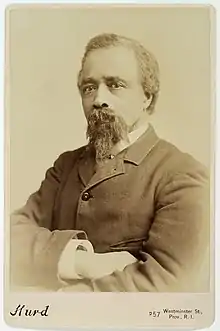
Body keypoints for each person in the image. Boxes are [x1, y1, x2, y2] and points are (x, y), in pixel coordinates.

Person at [10, 33, 210, 292]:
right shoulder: (66, 166)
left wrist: (63, 301)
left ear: (147, 96)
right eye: (89, 87)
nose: (98, 100)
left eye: (115, 84)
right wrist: (81, 261)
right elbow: (10, 238)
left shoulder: (183, 174)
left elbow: (164, 283)